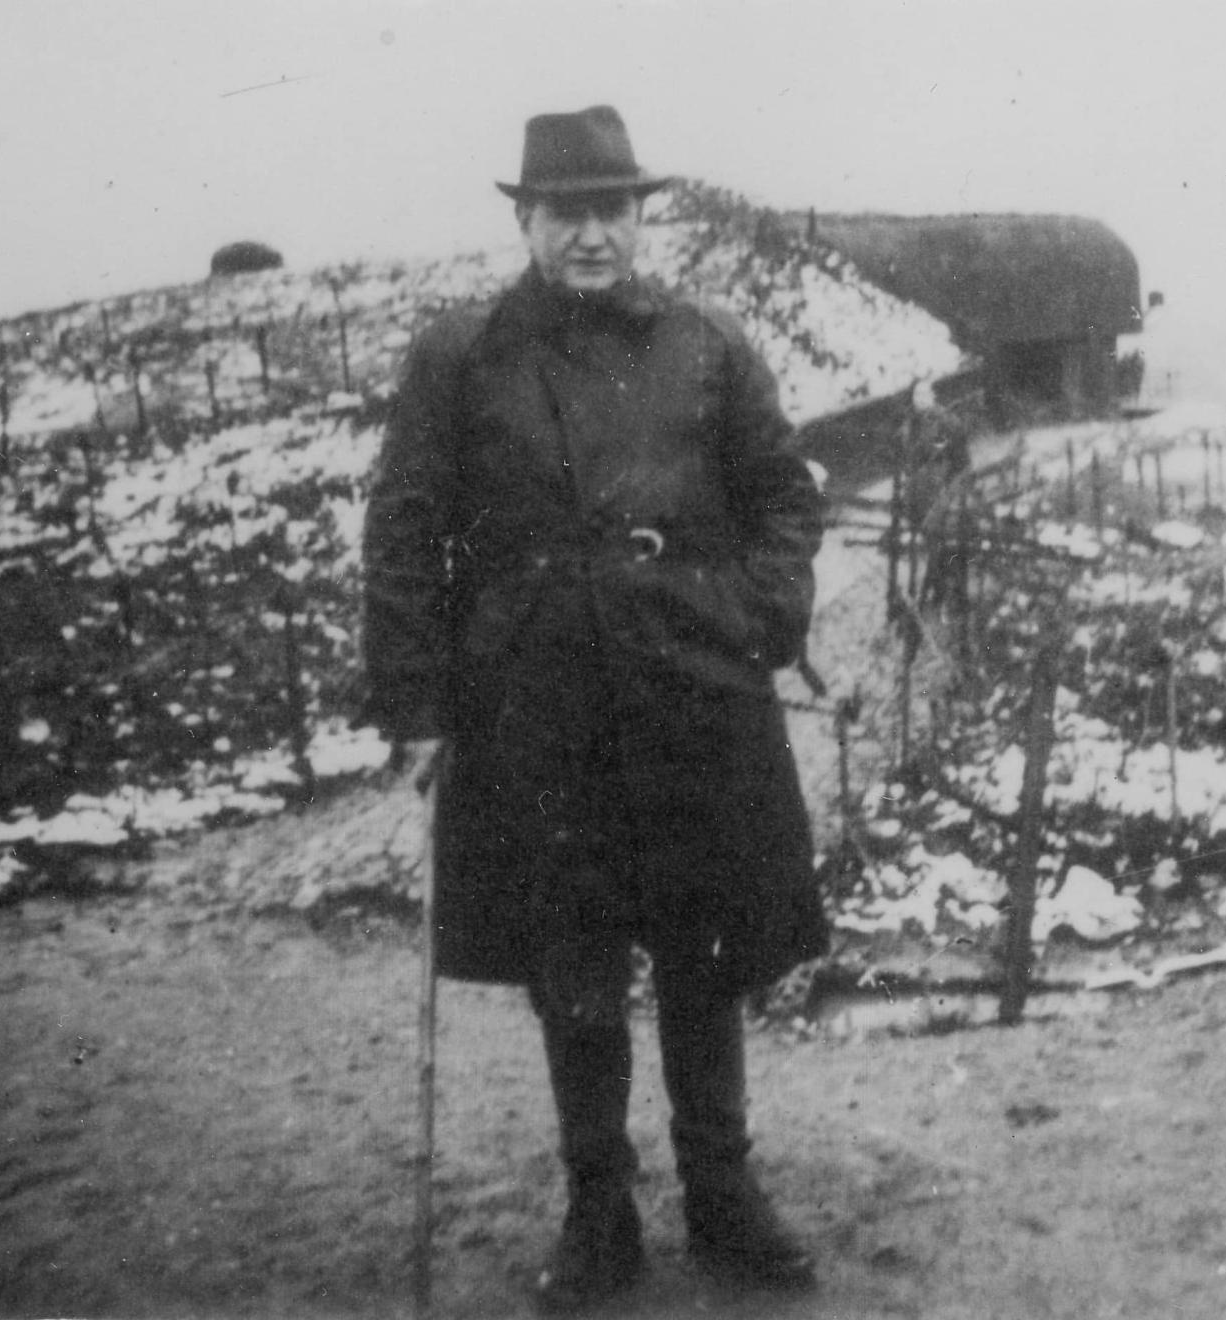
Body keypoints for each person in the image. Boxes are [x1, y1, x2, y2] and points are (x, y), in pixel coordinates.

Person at [361, 105, 829, 1312]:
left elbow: (784, 497)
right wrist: (416, 701)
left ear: (640, 218)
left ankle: (723, 1193)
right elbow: (406, 532)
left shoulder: (708, 342)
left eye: (610, 209)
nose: (588, 235)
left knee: (705, 952)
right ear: (524, 219)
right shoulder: (461, 356)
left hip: (694, 696)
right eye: (563, 212)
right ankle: (598, 1210)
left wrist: (755, 616)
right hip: (538, 710)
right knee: (571, 961)